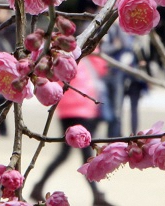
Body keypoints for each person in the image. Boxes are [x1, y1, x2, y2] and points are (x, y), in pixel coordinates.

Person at [30, 50, 112, 206]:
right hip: (80, 109)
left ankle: (39, 186)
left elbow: (101, 69)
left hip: (70, 109)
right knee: (85, 155)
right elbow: (102, 67)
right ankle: (97, 196)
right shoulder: (78, 58)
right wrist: (96, 52)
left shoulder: (63, 60)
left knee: (67, 154)